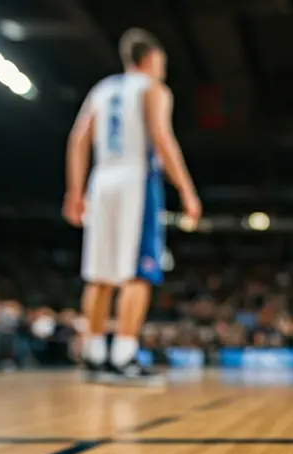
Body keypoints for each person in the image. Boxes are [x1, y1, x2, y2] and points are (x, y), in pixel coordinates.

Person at [62, 28, 201, 385]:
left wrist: (75, 190)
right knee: (138, 273)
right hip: (135, 181)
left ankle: (93, 355)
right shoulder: (152, 89)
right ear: (151, 59)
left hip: (101, 179)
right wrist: (186, 189)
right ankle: (124, 356)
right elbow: (161, 137)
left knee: (99, 275)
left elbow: (78, 139)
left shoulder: (102, 89)